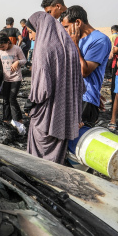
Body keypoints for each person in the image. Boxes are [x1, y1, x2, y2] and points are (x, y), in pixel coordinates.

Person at [24, 11, 84, 165]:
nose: (30, 37)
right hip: (64, 114)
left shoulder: (43, 48)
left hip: (47, 111)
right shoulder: (69, 45)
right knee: (57, 153)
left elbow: (42, 90)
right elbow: (80, 84)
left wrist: (30, 102)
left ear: (41, 28)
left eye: (31, 32)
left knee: (40, 154)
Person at [60, 6, 111, 127]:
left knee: (78, 139)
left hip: (84, 100)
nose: (65, 31)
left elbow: (84, 71)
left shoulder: (99, 40)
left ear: (77, 22)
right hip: (70, 96)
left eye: (66, 27)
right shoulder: (76, 39)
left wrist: (74, 45)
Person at [0, 33, 26, 123]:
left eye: (3, 46)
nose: (2, 48)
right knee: (5, 99)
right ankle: (6, 119)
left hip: (16, 78)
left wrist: (17, 62)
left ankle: (18, 120)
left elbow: (24, 60)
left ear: (8, 42)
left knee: (12, 99)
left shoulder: (16, 49)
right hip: (6, 78)